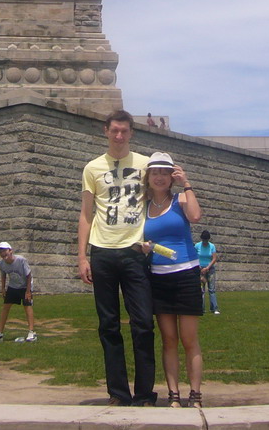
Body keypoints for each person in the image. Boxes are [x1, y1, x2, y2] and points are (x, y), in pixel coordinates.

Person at [78, 109, 156, 406]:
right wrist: (82, 257)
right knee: (108, 325)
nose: (119, 135)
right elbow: (86, 214)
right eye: (115, 131)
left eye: (124, 131)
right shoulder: (92, 168)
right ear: (106, 131)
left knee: (143, 324)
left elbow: (162, 197)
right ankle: (118, 393)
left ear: (131, 133)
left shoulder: (147, 164)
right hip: (102, 251)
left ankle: (145, 393)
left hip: (135, 252)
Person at [143, 152, 204, 408]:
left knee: (189, 339)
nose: (159, 177)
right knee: (168, 339)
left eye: (165, 173)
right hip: (159, 278)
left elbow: (196, 216)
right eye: (155, 172)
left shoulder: (180, 200)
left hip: (186, 274)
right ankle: (174, 394)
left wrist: (186, 183)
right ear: (148, 177)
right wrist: (145, 248)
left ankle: (196, 395)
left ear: (171, 176)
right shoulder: (143, 207)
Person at [0, 242, 37, 342]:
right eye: (0, 252)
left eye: (4, 251)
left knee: (27, 306)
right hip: (13, 286)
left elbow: (28, 276)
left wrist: (28, 292)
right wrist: (3, 288)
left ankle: (32, 332)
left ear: (10, 250)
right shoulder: (1, 263)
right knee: (5, 308)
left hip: (25, 286)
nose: (3, 254)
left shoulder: (21, 260)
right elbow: (3, 275)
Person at [196, 230, 220, 315]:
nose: (205, 242)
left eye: (206, 240)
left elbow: (214, 258)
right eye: (203, 240)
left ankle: (214, 308)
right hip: (200, 269)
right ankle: (201, 308)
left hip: (210, 269)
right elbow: (195, 257)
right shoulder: (197, 246)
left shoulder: (212, 246)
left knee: (212, 289)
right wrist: (200, 267)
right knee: (201, 290)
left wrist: (207, 268)